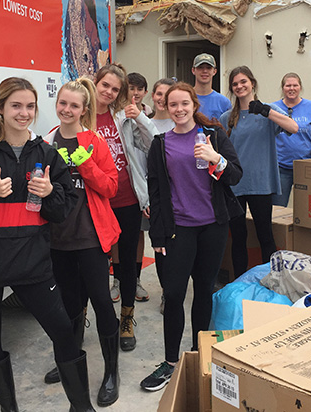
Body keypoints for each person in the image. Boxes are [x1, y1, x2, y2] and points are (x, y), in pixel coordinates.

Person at [0, 77, 95, 411]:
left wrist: (52, 192)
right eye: (15, 106)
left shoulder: (46, 153)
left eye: (29, 106)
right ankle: (9, 409)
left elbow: (65, 206)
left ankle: (82, 407)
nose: (23, 113)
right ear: (0, 109)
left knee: (63, 332)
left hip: (31, 262)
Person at [141, 82, 243, 392]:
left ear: (193, 105)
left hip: (212, 227)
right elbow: (156, 193)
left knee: (203, 291)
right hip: (177, 229)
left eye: (185, 103)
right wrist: (157, 234)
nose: (180, 109)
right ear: (166, 108)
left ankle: (200, 355)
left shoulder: (212, 136)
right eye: (173, 104)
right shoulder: (160, 145)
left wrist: (216, 157)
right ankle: (171, 362)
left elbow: (236, 176)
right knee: (172, 294)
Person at [42, 78, 121, 406]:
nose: (67, 110)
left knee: (102, 302)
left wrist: (85, 163)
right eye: (63, 103)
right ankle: (71, 358)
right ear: (57, 104)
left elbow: (111, 187)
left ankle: (111, 372)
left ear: (84, 110)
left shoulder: (94, 142)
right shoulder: (45, 142)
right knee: (69, 306)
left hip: (90, 237)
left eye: (74, 106)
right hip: (58, 240)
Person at [94, 63, 157, 351]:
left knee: (130, 263)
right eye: (104, 85)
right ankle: (82, 317)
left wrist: (140, 118)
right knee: (92, 266)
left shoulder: (123, 116)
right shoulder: (83, 116)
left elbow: (151, 144)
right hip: (95, 202)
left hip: (127, 199)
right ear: (95, 83)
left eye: (114, 89)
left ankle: (127, 320)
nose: (108, 92)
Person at [220, 66, 298, 278]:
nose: (239, 86)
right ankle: (239, 281)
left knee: (265, 235)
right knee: (238, 236)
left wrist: (266, 111)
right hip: (235, 186)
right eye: (235, 84)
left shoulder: (268, 111)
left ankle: (271, 280)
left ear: (252, 83)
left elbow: (293, 128)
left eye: (243, 82)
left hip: (261, 184)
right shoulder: (227, 117)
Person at [109, 72, 153, 305]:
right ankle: (117, 280)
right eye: (130, 89)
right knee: (114, 238)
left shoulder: (142, 116)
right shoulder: (114, 115)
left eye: (139, 89)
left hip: (135, 187)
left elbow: (152, 144)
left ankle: (133, 280)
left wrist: (140, 119)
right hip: (108, 188)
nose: (134, 93)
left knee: (136, 235)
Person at [271, 73, 311, 207]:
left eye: (295, 85)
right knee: (277, 207)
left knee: (307, 207)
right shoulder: (274, 108)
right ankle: (279, 229)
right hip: (280, 167)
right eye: (288, 85)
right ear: (283, 88)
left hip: (305, 166)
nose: (292, 88)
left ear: (300, 87)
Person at [149, 77, 177, 314]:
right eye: (159, 94)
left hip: (182, 201)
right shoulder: (144, 124)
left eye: (168, 96)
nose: (163, 99)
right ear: (153, 96)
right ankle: (167, 292)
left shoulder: (183, 124)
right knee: (162, 248)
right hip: (157, 198)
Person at [191, 53, 231, 120]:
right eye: (200, 67)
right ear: (193, 70)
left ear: (214, 71)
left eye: (209, 68)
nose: (205, 71)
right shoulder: (185, 98)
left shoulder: (223, 102)